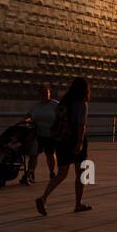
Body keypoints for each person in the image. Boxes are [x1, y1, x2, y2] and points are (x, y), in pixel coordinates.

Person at [35, 77, 92, 216]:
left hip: (62, 141)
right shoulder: (81, 103)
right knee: (81, 173)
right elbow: (81, 125)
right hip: (75, 140)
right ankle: (78, 204)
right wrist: (79, 143)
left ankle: (43, 198)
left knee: (61, 173)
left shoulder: (63, 102)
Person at [24, 84, 58, 185]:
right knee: (33, 154)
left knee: (50, 154)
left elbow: (62, 117)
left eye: (46, 93)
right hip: (37, 134)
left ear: (49, 93)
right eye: (42, 93)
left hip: (50, 134)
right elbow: (29, 115)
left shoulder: (55, 105)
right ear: (39, 94)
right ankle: (31, 173)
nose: (44, 95)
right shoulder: (35, 105)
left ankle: (52, 172)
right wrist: (25, 120)